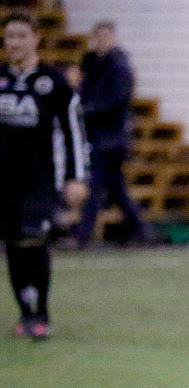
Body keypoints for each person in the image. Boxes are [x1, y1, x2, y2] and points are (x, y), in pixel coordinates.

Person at [1, 11, 88, 339]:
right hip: (5, 180)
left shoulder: (54, 82)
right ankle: (25, 313)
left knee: (33, 239)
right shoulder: (2, 79)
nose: (15, 43)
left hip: (40, 178)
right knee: (13, 243)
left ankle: (42, 314)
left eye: (21, 35)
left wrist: (76, 177)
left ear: (36, 38)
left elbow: (73, 131)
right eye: (9, 36)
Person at [74, 20, 143, 247]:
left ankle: (82, 235)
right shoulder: (93, 65)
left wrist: (89, 111)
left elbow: (119, 99)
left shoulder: (119, 67)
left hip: (113, 137)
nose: (102, 42)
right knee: (115, 187)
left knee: (95, 184)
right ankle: (139, 228)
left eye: (106, 37)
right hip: (99, 135)